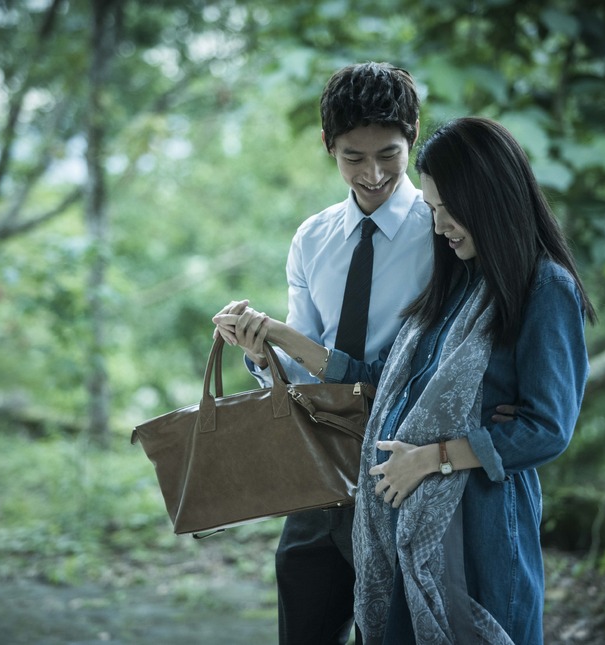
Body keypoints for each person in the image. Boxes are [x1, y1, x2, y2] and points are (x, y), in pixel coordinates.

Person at [214, 116, 596, 644]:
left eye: (446, 210)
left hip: (480, 520)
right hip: (407, 518)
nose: (437, 226)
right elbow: (382, 379)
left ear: (488, 198)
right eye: (434, 211)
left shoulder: (545, 287)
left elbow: (547, 428)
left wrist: (433, 456)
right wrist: (278, 337)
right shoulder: (460, 280)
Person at [214, 61, 439, 645]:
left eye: (389, 154)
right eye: (353, 158)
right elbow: (297, 369)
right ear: (327, 146)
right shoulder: (312, 239)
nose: (373, 174)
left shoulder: (443, 234)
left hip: (403, 470)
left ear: (413, 132)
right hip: (319, 472)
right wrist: (261, 351)